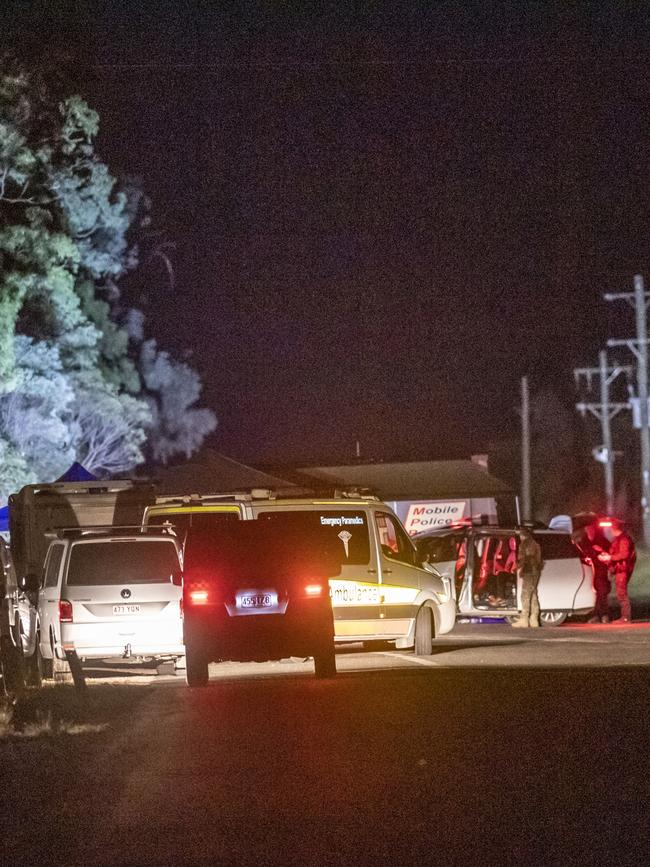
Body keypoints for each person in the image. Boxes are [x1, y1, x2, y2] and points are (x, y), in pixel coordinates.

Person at [597, 521, 636, 623]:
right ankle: (625, 617)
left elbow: (624, 554)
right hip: (619, 569)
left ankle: (626, 617)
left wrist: (610, 557)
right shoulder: (619, 539)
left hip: (622, 570)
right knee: (620, 593)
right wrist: (606, 555)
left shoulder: (623, 539)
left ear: (614, 528)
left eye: (611, 528)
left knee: (622, 593)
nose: (610, 531)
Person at [577, 524, 612, 624]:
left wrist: (601, 552)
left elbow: (609, 553)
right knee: (595, 593)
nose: (590, 530)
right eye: (588, 528)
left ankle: (602, 614)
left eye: (592, 528)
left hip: (600, 570)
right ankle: (598, 614)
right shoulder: (582, 541)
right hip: (588, 570)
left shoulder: (602, 541)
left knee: (602, 592)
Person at [511, 528, 542, 628]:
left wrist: (516, 568)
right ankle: (534, 619)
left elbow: (524, 559)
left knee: (525, 595)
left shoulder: (524, 544)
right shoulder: (536, 544)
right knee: (533, 595)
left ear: (522, 535)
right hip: (536, 572)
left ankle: (524, 619)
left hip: (528, 571)